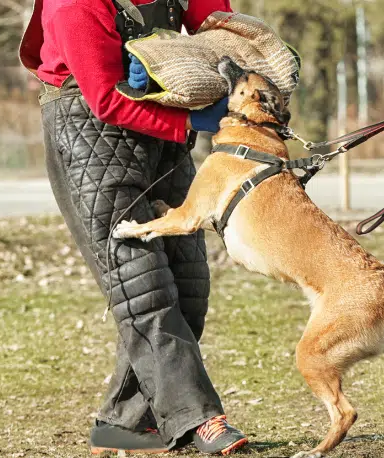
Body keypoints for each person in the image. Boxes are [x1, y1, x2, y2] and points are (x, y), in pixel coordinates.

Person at [17, 0, 247, 455]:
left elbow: (223, 31)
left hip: (160, 123)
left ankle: (124, 423)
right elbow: (104, 98)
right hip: (87, 126)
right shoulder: (75, 4)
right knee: (141, 283)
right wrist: (189, 118)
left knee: (189, 283)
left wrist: (240, 76)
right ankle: (198, 418)